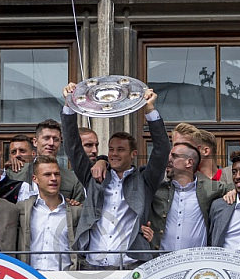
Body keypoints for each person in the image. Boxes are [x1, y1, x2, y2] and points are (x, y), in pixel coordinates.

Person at [63, 82, 169, 268]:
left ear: (133, 154)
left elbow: (161, 150)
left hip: (130, 266)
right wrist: (69, 106)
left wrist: (150, 111)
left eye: (120, 150)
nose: (114, 154)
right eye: (111, 149)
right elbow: (73, 147)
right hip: (92, 264)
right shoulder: (95, 177)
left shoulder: (145, 180)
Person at [18, 155, 81, 270]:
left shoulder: (75, 211)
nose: (53, 178)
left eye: (56, 174)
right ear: (35, 179)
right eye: (47, 175)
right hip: (32, 278)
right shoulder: (23, 209)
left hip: (64, 278)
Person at [7, 119, 85, 202]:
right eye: (46, 138)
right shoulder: (14, 173)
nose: (51, 143)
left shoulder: (72, 179)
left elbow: (80, 210)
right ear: (35, 142)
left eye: (56, 139)